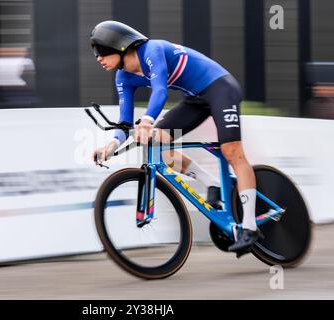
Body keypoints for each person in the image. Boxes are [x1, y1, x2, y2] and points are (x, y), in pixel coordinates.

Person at [90, 20, 261, 253]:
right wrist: (111, 146)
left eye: (101, 51)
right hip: (196, 99)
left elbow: (159, 89)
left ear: (119, 46)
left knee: (232, 151)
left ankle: (250, 227)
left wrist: (148, 120)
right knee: (159, 144)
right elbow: (124, 122)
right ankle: (212, 183)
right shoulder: (123, 78)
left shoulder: (152, 50)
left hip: (221, 88)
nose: (98, 58)